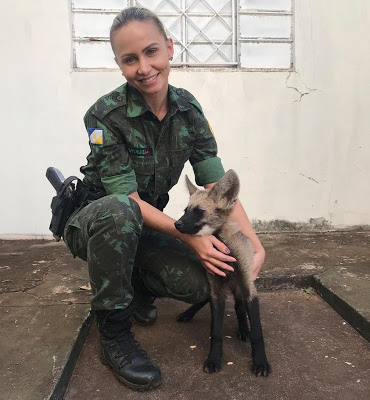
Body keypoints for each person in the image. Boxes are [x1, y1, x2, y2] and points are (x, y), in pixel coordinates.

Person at [64, 6, 265, 391]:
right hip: (96, 222)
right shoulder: (105, 116)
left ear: (170, 49)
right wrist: (190, 236)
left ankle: (137, 283)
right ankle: (115, 333)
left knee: (201, 281)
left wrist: (253, 246)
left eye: (151, 51)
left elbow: (217, 187)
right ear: (119, 64)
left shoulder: (188, 110)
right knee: (121, 210)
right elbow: (127, 198)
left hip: (143, 224)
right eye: (130, 59)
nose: (143, 67)